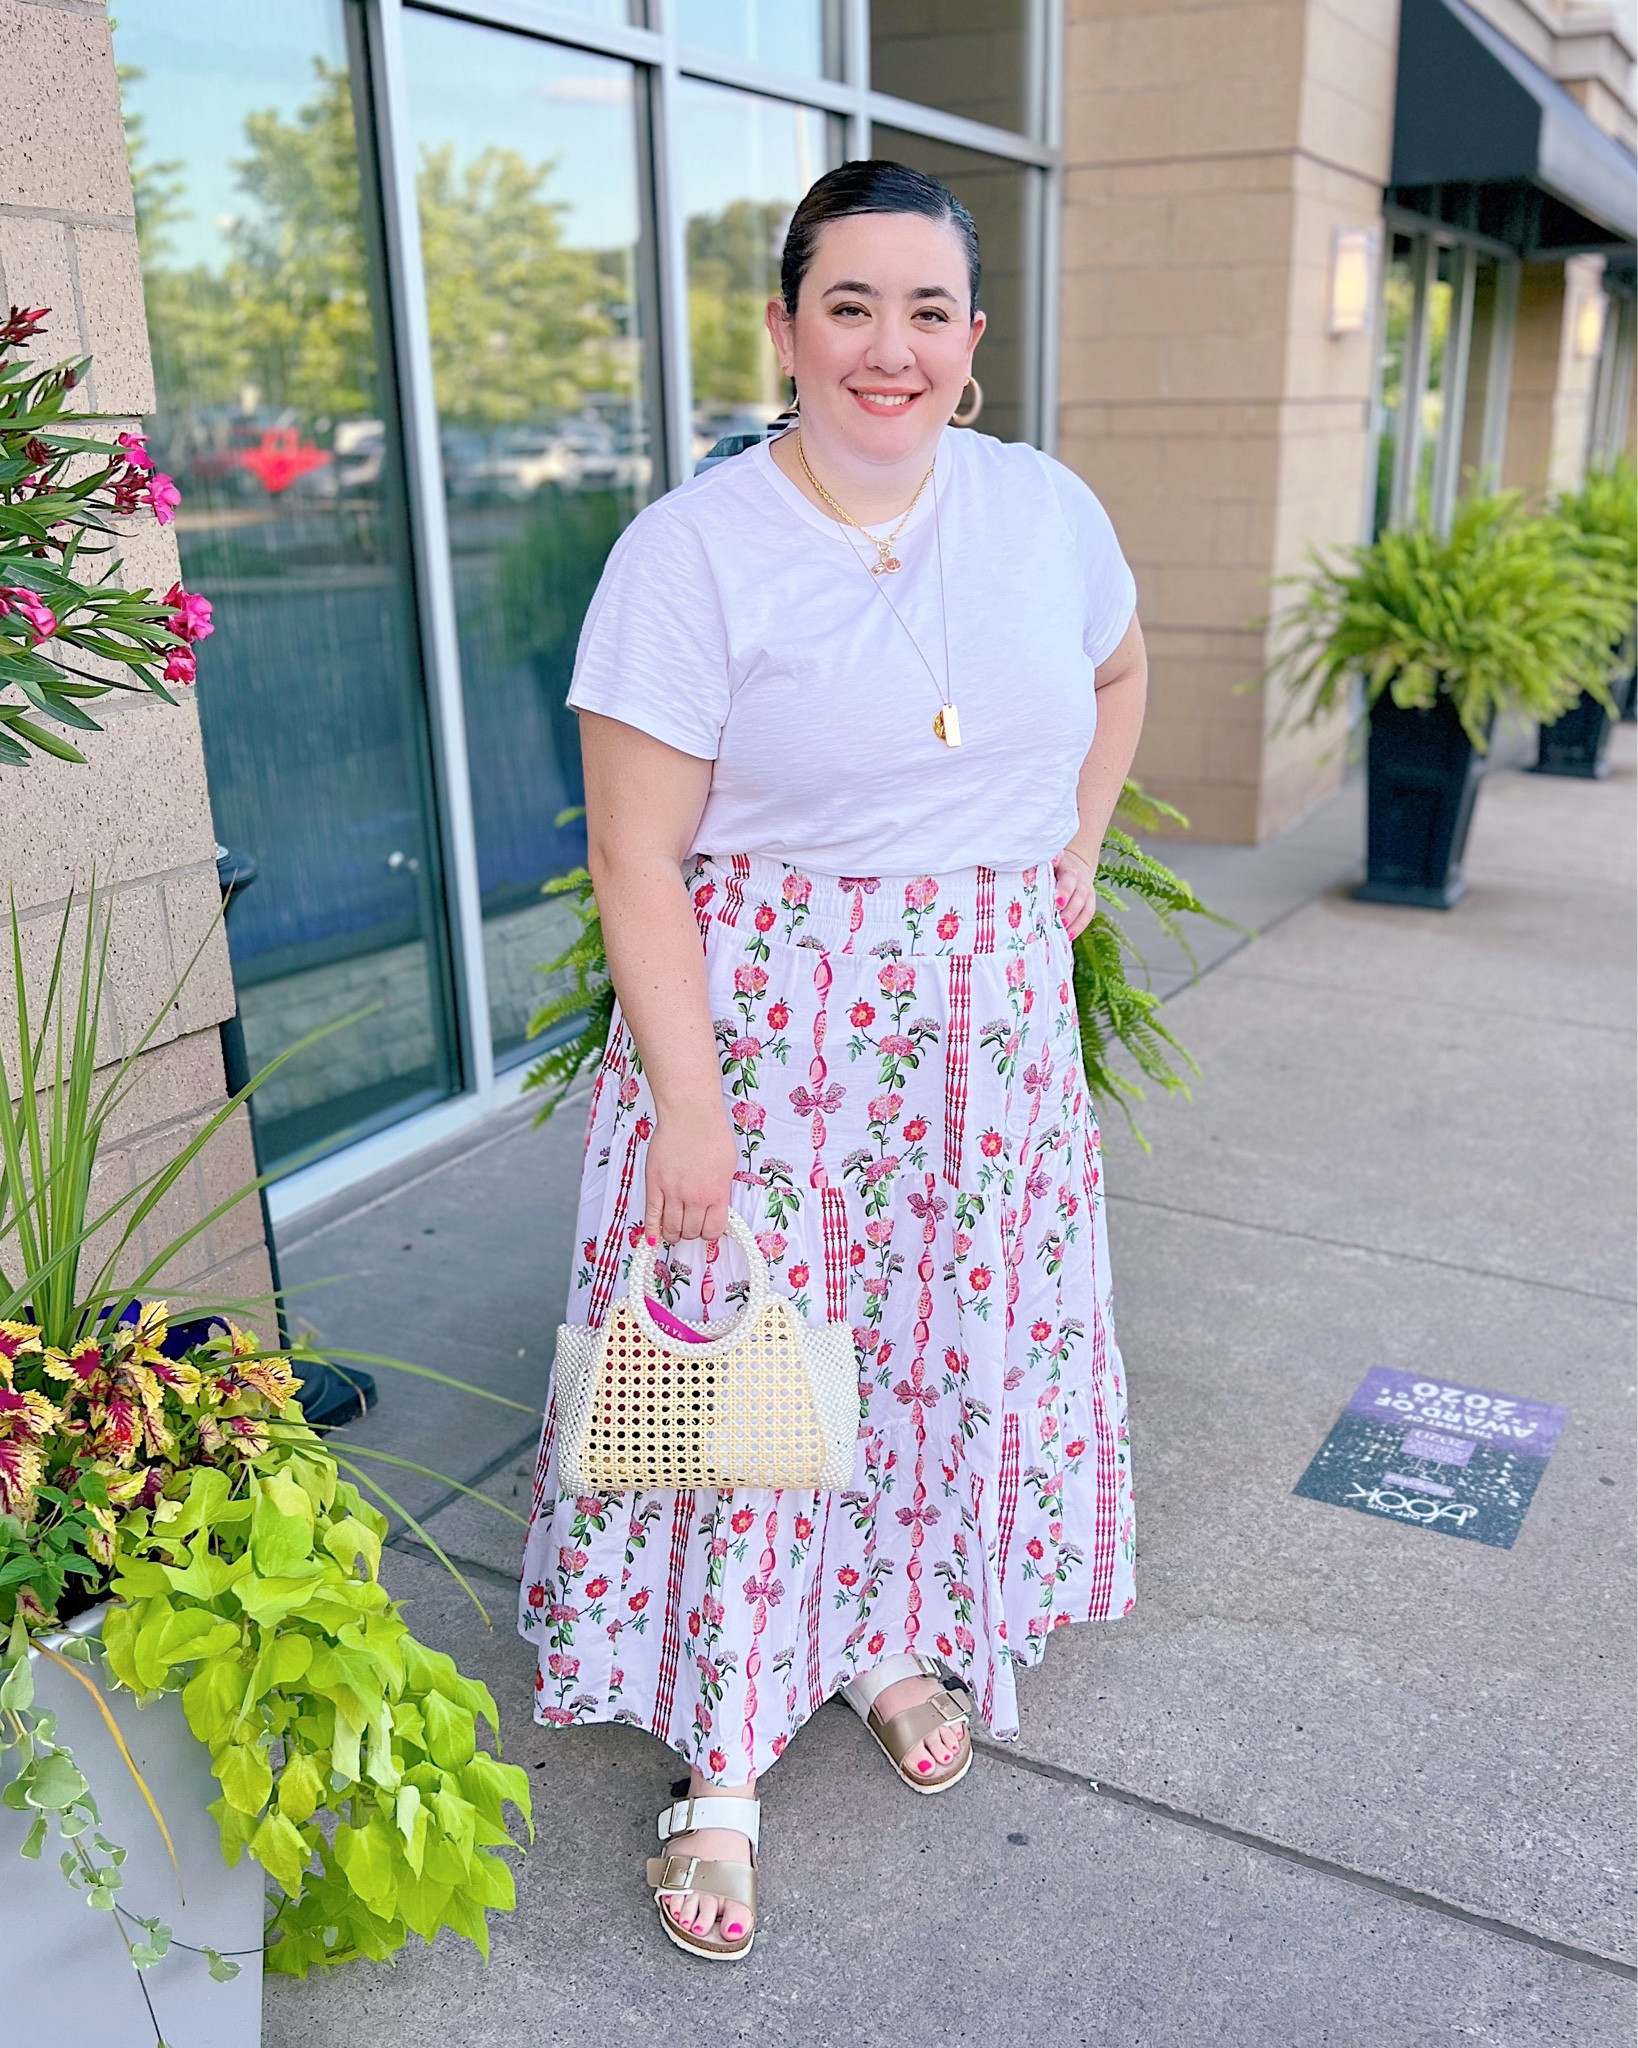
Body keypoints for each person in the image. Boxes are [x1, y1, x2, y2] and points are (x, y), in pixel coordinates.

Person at [520, 159, 1145, 1962]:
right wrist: (689, 1115)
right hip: (774, 1034)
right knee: (743, 1389)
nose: (891, 346)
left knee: (927, 1352)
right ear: (786, 328)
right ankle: (717, 1761)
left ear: (972, 340)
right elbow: (636, 858)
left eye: (928, 310)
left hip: (985, 1035)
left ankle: (873, 1634)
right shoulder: (693, 551)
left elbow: (1114, 682)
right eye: (850, 306)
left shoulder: (1042, 513)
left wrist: (1074, 850)